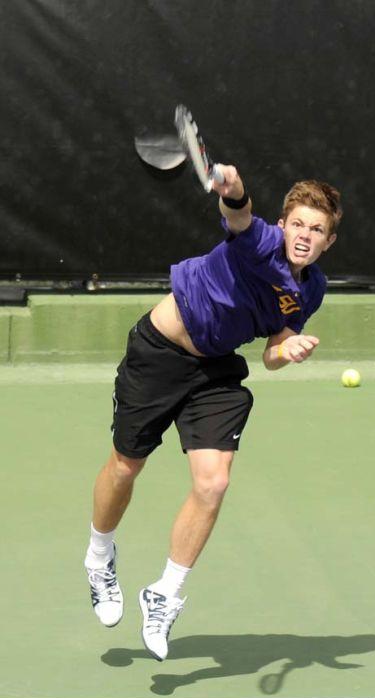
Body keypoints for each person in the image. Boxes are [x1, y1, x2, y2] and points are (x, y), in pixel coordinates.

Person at [84, 165, 342, 661]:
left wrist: (287, 352)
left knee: (214, 483)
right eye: (299, 224)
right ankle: (99, 556)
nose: (305, 236)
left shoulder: (310, 289)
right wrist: (234, 187)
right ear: (284, 224)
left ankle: (165, 592)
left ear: (328, 241)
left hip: (217, 371)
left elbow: (271, 351)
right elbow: (239, 213)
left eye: (317, 230)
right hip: (159, 353)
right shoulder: (261, 242)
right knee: (125, 465)